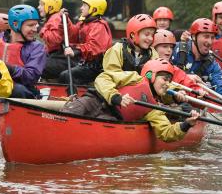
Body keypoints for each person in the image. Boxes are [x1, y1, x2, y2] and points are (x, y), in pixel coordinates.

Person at [62, 58, 200, 141]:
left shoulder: (154, 109)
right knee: (67, 116)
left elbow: (167, 133)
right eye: (164, 79)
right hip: (94, 101)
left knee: (93, 133)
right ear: (151, 75)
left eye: (170, 80)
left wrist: (187, 124)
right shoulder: (134, 78)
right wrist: (116, 97)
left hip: (110, 118)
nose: (167, 83)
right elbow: (103, 78)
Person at [172, 18, 222, 104]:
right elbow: (158, 73)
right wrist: (185, 77)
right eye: (206, 36)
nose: (210, 42)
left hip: (190, 106)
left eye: (212, 37)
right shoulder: (174, 49)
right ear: (194, 37)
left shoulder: (212, 64)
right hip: (168, 100)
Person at [0, 5, 46, 99]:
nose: (35, 29)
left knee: (18, 90)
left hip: (21, 91)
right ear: (15, 24)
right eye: (30, 25)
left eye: (35, 25)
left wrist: (7, 67)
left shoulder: (37, 47)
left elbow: (31, 77)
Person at [59, 0, 113, 85]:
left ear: (94, 9)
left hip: (96, 68)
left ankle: (76, 96)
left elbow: (94, 47)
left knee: (66, 75)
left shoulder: (99, 26)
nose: (81, 8)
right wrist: (66, 20)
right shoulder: (84, 23)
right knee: (63, 72)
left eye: (84, 6)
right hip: (84, 63)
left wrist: (76, 50)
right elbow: (73, 36)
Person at [153, 29, 202, 93]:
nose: (169, 50)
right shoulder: (147, 65)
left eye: (171, 47)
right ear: (154, 47)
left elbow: (185, 80)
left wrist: (199, 90)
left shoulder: (172, 68)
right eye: (164, 46)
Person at [38, 0, 72, 80]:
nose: (38, 7)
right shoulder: (53, 18)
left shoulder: (55, 18)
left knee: (36, 65)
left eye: (41, 5)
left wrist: (40, 30)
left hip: (62, 58)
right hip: (56, 56)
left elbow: (55, 40)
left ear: (50, 7)